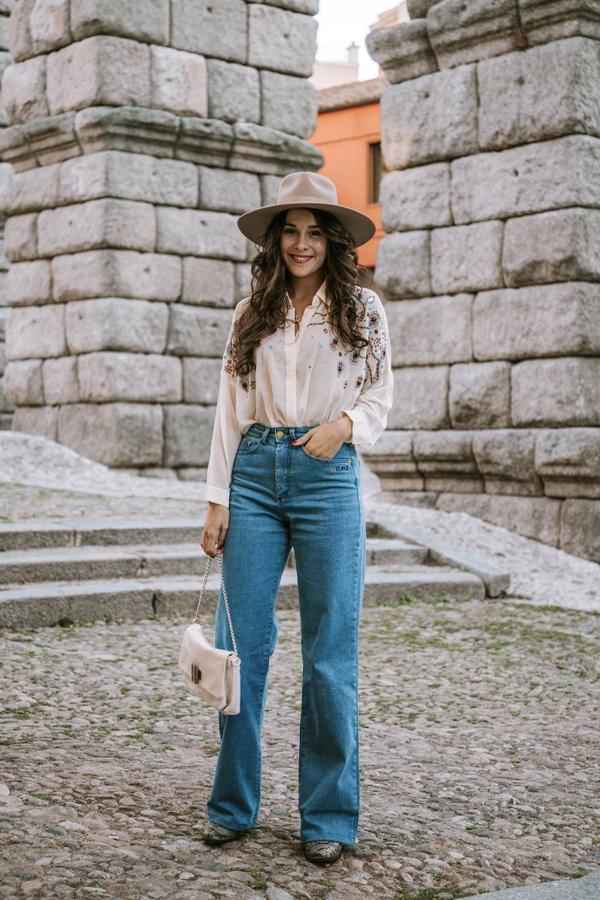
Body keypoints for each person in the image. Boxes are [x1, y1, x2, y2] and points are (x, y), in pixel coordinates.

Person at [199, 171, 394, 865]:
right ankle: (232, 806)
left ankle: (329, 818)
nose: (302, 242)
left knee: (330, 655)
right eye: (291, 229)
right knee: (239, 649)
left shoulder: (364, 308)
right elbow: (229, 409)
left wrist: (343, 426)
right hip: (253, 475)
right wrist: (217, 497)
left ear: (332, 240)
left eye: (315, 231)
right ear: (275, 237)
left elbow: (379, 395)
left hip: (327, 477)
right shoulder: (251, 310)